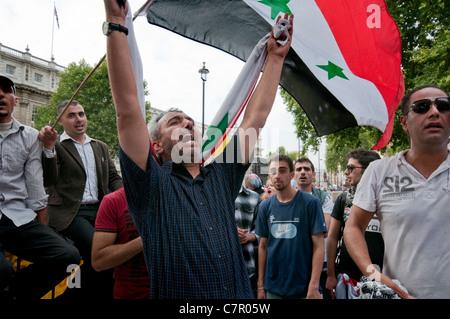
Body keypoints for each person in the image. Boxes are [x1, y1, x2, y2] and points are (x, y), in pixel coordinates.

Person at [103, 0, 293, 299]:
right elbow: (128, 111)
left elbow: (254, 118)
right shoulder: (150, 184)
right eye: (175, 122)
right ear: (157, 145)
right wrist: (115, 20)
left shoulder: (222, 176)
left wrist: (276, 59)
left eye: (190, 121)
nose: (188, 124)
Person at [344, 85, 450, 299]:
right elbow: (353, 226)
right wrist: (372, 273)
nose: (434, 112)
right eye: (421, 107)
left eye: (443, 105)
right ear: (404, 123)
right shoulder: (379, 171)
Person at [0, 74, 80, 299]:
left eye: (6, 90)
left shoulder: (31, 137)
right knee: (2, 270)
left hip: (17, 219)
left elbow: (36, 184)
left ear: (15, 100)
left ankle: (15, 293)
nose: (0, 94)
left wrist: (43, 225)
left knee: (68, 255)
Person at [39, 99, 123, 299]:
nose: (78, 119)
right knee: (102, 250)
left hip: (100, 211)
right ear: (60, 121)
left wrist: (129, 197)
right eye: (71, 115)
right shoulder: (56, 145)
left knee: (114, 249)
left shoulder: (100, 146)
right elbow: (48, 179)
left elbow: (113, 179)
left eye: (81, 114)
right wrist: (49, 148)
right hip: (70, 213)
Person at [256, 155, 327, 299]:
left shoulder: (311, 203)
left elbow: (319, 246)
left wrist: (314, 286)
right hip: (273, 288)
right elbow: (263, 246)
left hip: (305, 288)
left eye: (283, 171)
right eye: (274, 172)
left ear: (291, 174)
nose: (278, 176)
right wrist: (260, 286)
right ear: (269, 175)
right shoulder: (264, 206)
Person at [325, 148, 383, 299]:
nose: (346, 172)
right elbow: (332, 238)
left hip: (382, 281)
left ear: (369, 170)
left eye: (350, 167)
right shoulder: (343, 199)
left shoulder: (388, 200)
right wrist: (331, 275)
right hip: (348, 280)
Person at [92, 188, 150, 299]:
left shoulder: (183, 197)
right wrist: (145, 239)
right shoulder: (113, 200)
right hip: (133, 294)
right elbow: (98, 261)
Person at [294, 157, 333, 299]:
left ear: (313, 174)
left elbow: (324, 230)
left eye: (306, 169)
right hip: (295, 263)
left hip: (320, 264)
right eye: (299, 169)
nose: (303, 172)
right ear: (294, 174)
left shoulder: (324, 198)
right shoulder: (286, 197)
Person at [235, 186, 261, 297]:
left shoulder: (254, 197)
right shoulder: (211, 194)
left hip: (248, 269)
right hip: (219, 270)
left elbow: (263, 231)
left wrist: (248, 237)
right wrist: (229, 232)